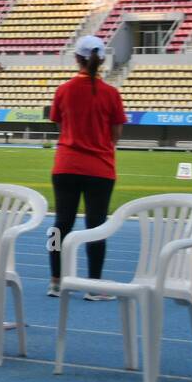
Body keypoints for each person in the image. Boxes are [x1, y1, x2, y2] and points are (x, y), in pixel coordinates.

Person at [47, 35, 127, 300]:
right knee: (96, 226)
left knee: (60, 225)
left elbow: (60, 125)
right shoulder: (111, 93)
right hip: (100, 168)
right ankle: (94, 285)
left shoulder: (64, 90)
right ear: (102, 60)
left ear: (76, 58)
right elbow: (116, 135)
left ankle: (56, 280)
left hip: (66, 164)